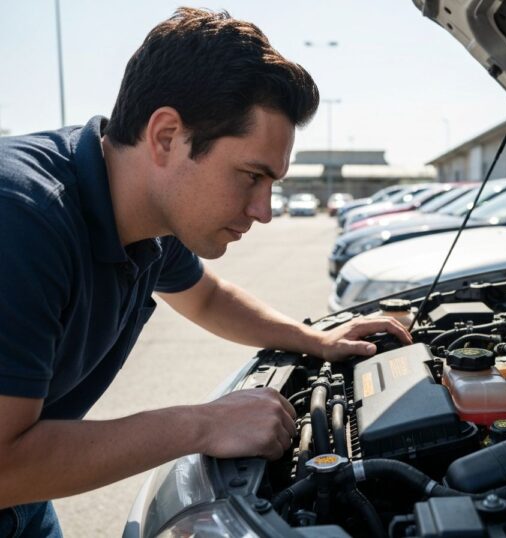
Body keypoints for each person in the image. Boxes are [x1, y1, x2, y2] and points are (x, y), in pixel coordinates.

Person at [0, 7, 411, 535]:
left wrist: (316, 339)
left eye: (273, 184)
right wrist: (204, 423)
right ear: (166, 136)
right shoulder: (22, 219)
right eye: (251, 175)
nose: (264, 210)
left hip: (26, 497)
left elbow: (208, 298)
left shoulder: (150, 217)